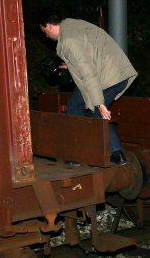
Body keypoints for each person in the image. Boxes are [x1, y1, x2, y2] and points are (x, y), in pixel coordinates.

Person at [38, 11, 138, 165]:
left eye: (44, 32)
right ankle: (84, 154)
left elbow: (88, 73)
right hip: (110, 71)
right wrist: (70, 66)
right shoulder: (71, 25)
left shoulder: (69, 40)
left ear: (49, 26)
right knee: (75, 107)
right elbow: (87, 55)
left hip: (108, 77)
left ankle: (116, 154)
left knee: (96, 111)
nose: (46, 36)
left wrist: (99, 103)